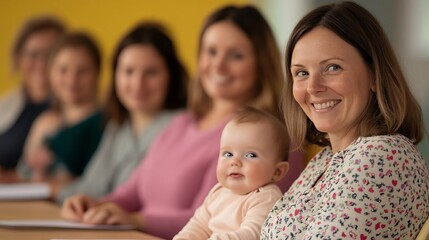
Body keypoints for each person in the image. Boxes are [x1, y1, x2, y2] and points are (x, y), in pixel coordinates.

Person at [60, 5, 303, 239]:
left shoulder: (272, 139)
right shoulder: (180, 123)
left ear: (261, 64)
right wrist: (91, 205)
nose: (218, 65)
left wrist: (135, 220)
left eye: (236, 55)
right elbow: (130, 193)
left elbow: (207, 220)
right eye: (211, 51)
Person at [261, 1, 429, 239]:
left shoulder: (382, 156)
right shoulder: (326, 159)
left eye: (332, 67)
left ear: (374, 75)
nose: (313, 87)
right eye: (301, 73)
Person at [53, 22, 188, 202]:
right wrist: (59, 195)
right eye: (129, 71)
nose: (138, 84)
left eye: (151, 73)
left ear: (171, 76)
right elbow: (91, 187)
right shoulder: (118, 126)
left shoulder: (182, 128)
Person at [174, 107, 289, 239]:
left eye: (251, 155)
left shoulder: (266, 197)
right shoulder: (218, 192)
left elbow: (252, 234)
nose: (234, 161)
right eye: (228, 154)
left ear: (277, 171)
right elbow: (198, 226)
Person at [20, 32, 104, 183]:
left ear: (97, 72)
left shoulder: (107, 123)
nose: (72, 80)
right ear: (50, 72)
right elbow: (24, 174)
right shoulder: (44, 122)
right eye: (63, 70)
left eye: (83, 71)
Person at [0, 16, 65, 180]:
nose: (42, 63)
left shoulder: (76, 111)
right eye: (33, 54)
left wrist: (11, 178)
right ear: (18, 57)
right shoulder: (5, 105)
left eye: (51, 54)